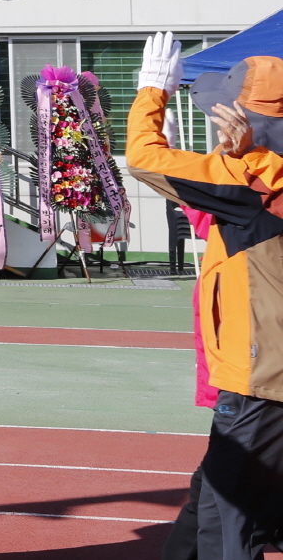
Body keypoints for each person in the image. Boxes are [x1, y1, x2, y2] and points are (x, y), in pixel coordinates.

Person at [125, 36, 283, 560]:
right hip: (261, 373)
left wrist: (152, 92)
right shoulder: (259, 172)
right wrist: (238, 152)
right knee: (214, 505)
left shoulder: (252, 181)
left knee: (229, 516)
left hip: (262, 377)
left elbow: (143, 158)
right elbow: (217, 209)